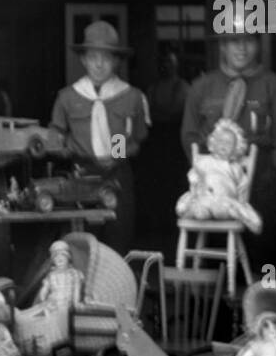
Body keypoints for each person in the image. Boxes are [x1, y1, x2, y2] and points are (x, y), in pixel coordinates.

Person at [181, 18, 276, 276]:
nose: (241, 48)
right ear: (222, 45)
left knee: (263, 247)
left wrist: (263, 173)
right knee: (217, 251)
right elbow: (189, 135)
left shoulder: (272, 85)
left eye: (248, 40)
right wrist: (207, 173)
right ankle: (220, 311)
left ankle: (263, 305)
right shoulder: (203, 86)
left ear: (257, 44)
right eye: (233, 41)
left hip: (260, 179)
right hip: (215, 181)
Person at [49, 22, 150, 254]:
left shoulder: (131, 96)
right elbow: (56, 133)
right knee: (84, 239)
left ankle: (114, 287)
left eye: (106, 57)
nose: (99, 63)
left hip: (117, 173)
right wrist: (65, 149)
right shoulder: (67, 97)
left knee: (119, 235)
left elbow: (137, 136)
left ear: (116, 61)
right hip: (82, 172)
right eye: (92, 56)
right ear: (83, 59)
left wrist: (116, 155)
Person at [175, 118, 262, 231]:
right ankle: (200, 211)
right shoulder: (204, 162)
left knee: (225, 209)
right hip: (204, 197)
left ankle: (223, 212)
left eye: (228, 143)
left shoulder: (235, 168)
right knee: (196, 206)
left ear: (236, 148)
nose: (223, 145)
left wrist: (242, 201)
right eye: (220, 141)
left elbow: (243, 185)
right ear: (213, 143)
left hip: (225, 200)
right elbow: (194, 177)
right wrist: (197, 181)